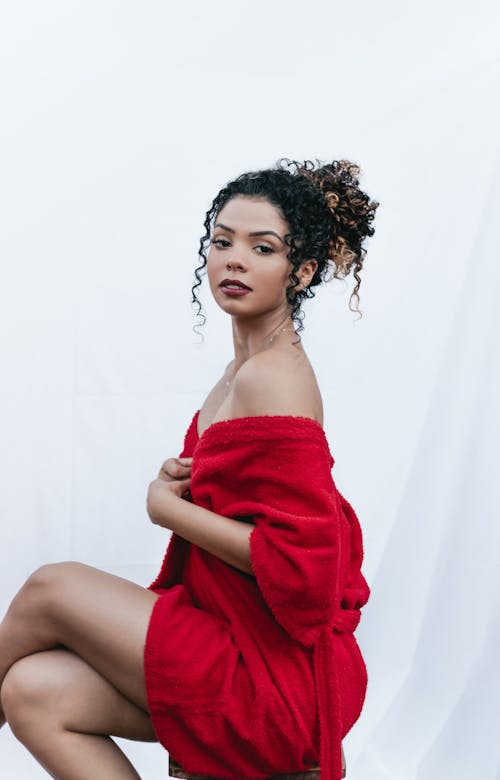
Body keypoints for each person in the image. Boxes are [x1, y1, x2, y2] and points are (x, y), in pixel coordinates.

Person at [0, 157, 379, 779]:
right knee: (35, 689)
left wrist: (167, 508)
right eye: (222, 240)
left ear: (301, 271)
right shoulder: (240, 372)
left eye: (262, 248)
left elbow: (306, 571)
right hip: (235, 638)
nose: (233, 259)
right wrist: (192, 483)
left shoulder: (273, 377)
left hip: (274, 679)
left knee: (52, 587)